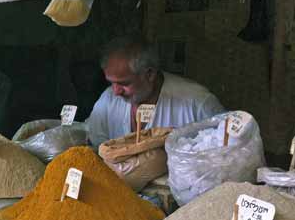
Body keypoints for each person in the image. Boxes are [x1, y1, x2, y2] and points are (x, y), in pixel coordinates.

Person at [86, 35, 224, 147]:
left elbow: (227, 152)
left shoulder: (197, 103)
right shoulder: (108, 99)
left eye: (124, 83)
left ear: (150, 74)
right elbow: (95, 144)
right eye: (111, 82)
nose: (116, 91)